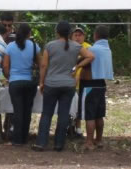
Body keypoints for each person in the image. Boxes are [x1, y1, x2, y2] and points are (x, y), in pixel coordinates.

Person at [32, 21, 94, 152]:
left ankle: (41, 143)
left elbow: (43, 65)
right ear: (70, 33)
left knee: (47, 113)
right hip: (68, 85)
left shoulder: (50, 46)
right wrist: (77, 66)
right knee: (63, 114)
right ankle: (59, 144)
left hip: (51, 84)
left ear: (57, 32)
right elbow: (90, 56)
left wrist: (41, 82)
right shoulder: (76, 46)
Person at [2, 23, 41, 146]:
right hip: (30, 82)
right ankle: (25, 137)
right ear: (29, 34)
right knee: (27, 111)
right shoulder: (35, 46)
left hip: (15, 82)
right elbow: (40, 64)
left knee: (18, 111)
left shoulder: (10, 46)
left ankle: (17, 140)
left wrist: (10, 77)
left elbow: (6, 66)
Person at [81, 25, 114, 150]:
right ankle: (99, 140)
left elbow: (83, 61)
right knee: (99, 114)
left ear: (96, 35)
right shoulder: (107, 49)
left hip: (89, 85)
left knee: (89, 115)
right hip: (101, 84)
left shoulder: (92, 49)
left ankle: (89, 142)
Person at [70, 26, 92, 138]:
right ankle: (69, 126)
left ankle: (78, 128)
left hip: (82, 82)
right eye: (75, 35)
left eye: (80, 35)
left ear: (84, 36)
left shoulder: (88, 48)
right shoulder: (68, 47)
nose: (78, 37)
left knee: (79, 107)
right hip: (69, 81)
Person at [0, 13, 16, 139]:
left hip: (12, 74)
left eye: (9, 25)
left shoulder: (16, 38)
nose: (7, 27)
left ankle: (9, 127)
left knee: (13, 103)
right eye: (5, 25)